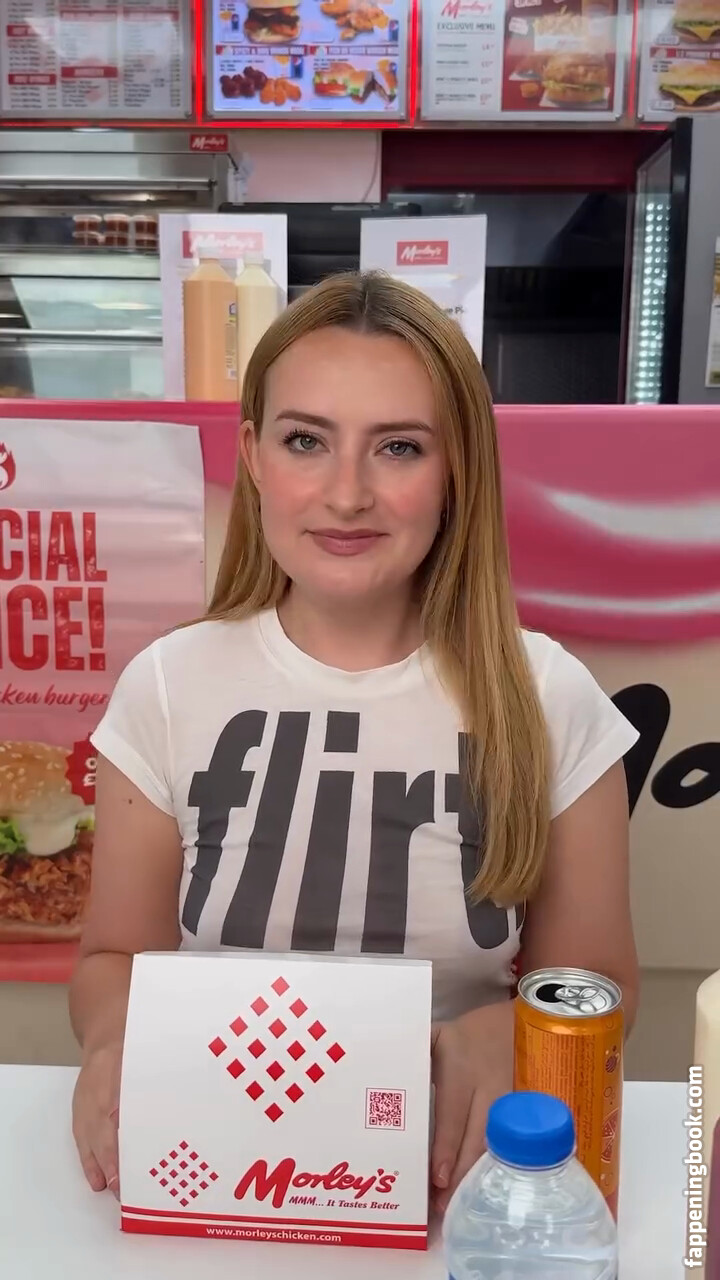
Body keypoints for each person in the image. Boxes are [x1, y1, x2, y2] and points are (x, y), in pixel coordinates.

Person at [69, 270, 639, 1213]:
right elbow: (112, 961)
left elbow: (595, 988)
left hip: (457, 1199)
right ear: (254, 457)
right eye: (306, 441)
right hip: (216, 1179)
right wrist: (112, 1043)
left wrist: (517, 1033)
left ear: (457, 472)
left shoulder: (551, 698)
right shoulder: (166, 685)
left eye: (399, 448)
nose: (346, 495)